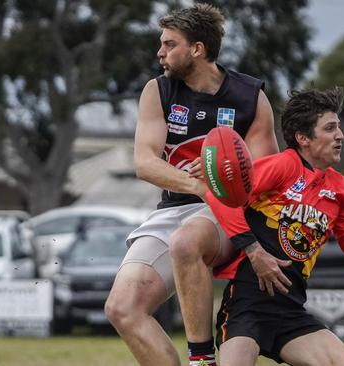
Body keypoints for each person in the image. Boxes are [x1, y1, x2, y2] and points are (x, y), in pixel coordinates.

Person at [103, 4, 279, 366]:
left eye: (169, 44)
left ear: (197, 49)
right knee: (122, 308)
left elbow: (264, 173)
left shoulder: (250, 96)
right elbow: (145, 162)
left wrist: (226, 170)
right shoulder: (159, 91)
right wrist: (198, 184)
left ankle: (201, 359)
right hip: (177, 207)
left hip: (230, 211)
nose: (160, 53)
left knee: (185, 243)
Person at [198, 87, 344, 365]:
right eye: (330, 128)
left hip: (291, 311)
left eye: (339, 128)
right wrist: (254, 251)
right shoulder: (284, 165)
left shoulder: (341, 190)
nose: (340, 136)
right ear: (303, 138)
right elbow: (220, 196)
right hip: (246, 306)